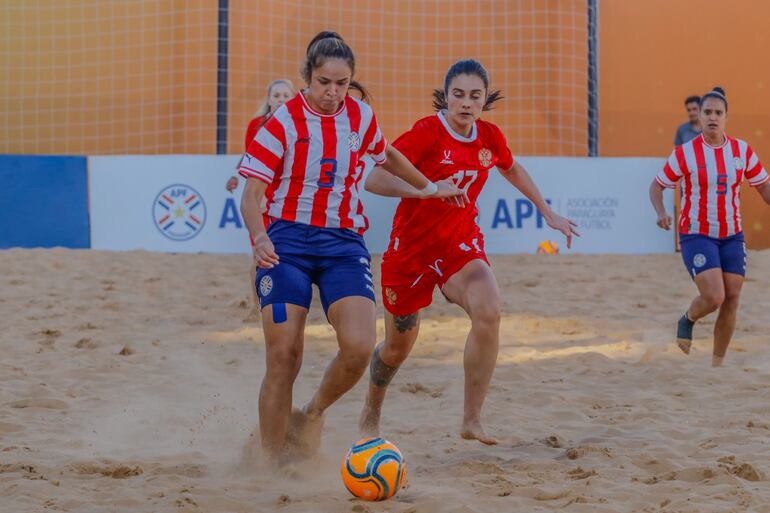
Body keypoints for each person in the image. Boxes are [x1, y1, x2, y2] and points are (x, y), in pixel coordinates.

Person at [238, 31, 467, 464]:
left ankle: (310, 415)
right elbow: (251, 195)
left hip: (344, 243)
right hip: (286, 240)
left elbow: (388, 156)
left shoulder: (360, 117)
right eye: (324, 82)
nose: (332, 92)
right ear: (308, 77)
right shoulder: (282, 122)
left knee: (360, 347)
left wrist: (428, 186)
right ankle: (269, 465)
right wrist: (260, 235)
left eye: (342, 83)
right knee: (285, 355)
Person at [358, 59, 579, 445]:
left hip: (460, 245)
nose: (465, 103)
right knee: (396, 348)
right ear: (445, 98)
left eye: (474, 96)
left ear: (484, 100)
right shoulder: (426, 134)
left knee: (489, 309)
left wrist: (547, 212)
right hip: (410, 250)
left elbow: (511, 169)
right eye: (457, 95)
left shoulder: (489, 137)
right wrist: (426, 188)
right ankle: (371, 412)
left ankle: (471, 419)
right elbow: (375, 178)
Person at [650, 87, 770, 367]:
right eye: (707, 113)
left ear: (726, 117)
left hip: (732, 235)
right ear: (700, 117)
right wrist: (661, 211)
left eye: (718, 113)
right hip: (697, 234)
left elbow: (763, 186)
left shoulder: (741, 151)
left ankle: (717, 366)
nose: (712, 118)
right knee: (715, 296)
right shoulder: (685, 153)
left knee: (733, 297)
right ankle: (688, 318)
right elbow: (657, 186)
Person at [226, 79, 296, 193]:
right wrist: (236, 175)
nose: (281, 100)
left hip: (291, 184)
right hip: (265, 185)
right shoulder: (256, 125)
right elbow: (249, 155)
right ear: (269, 100)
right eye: (276, 96)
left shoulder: (301, 125)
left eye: (286, 96)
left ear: (293, 99)